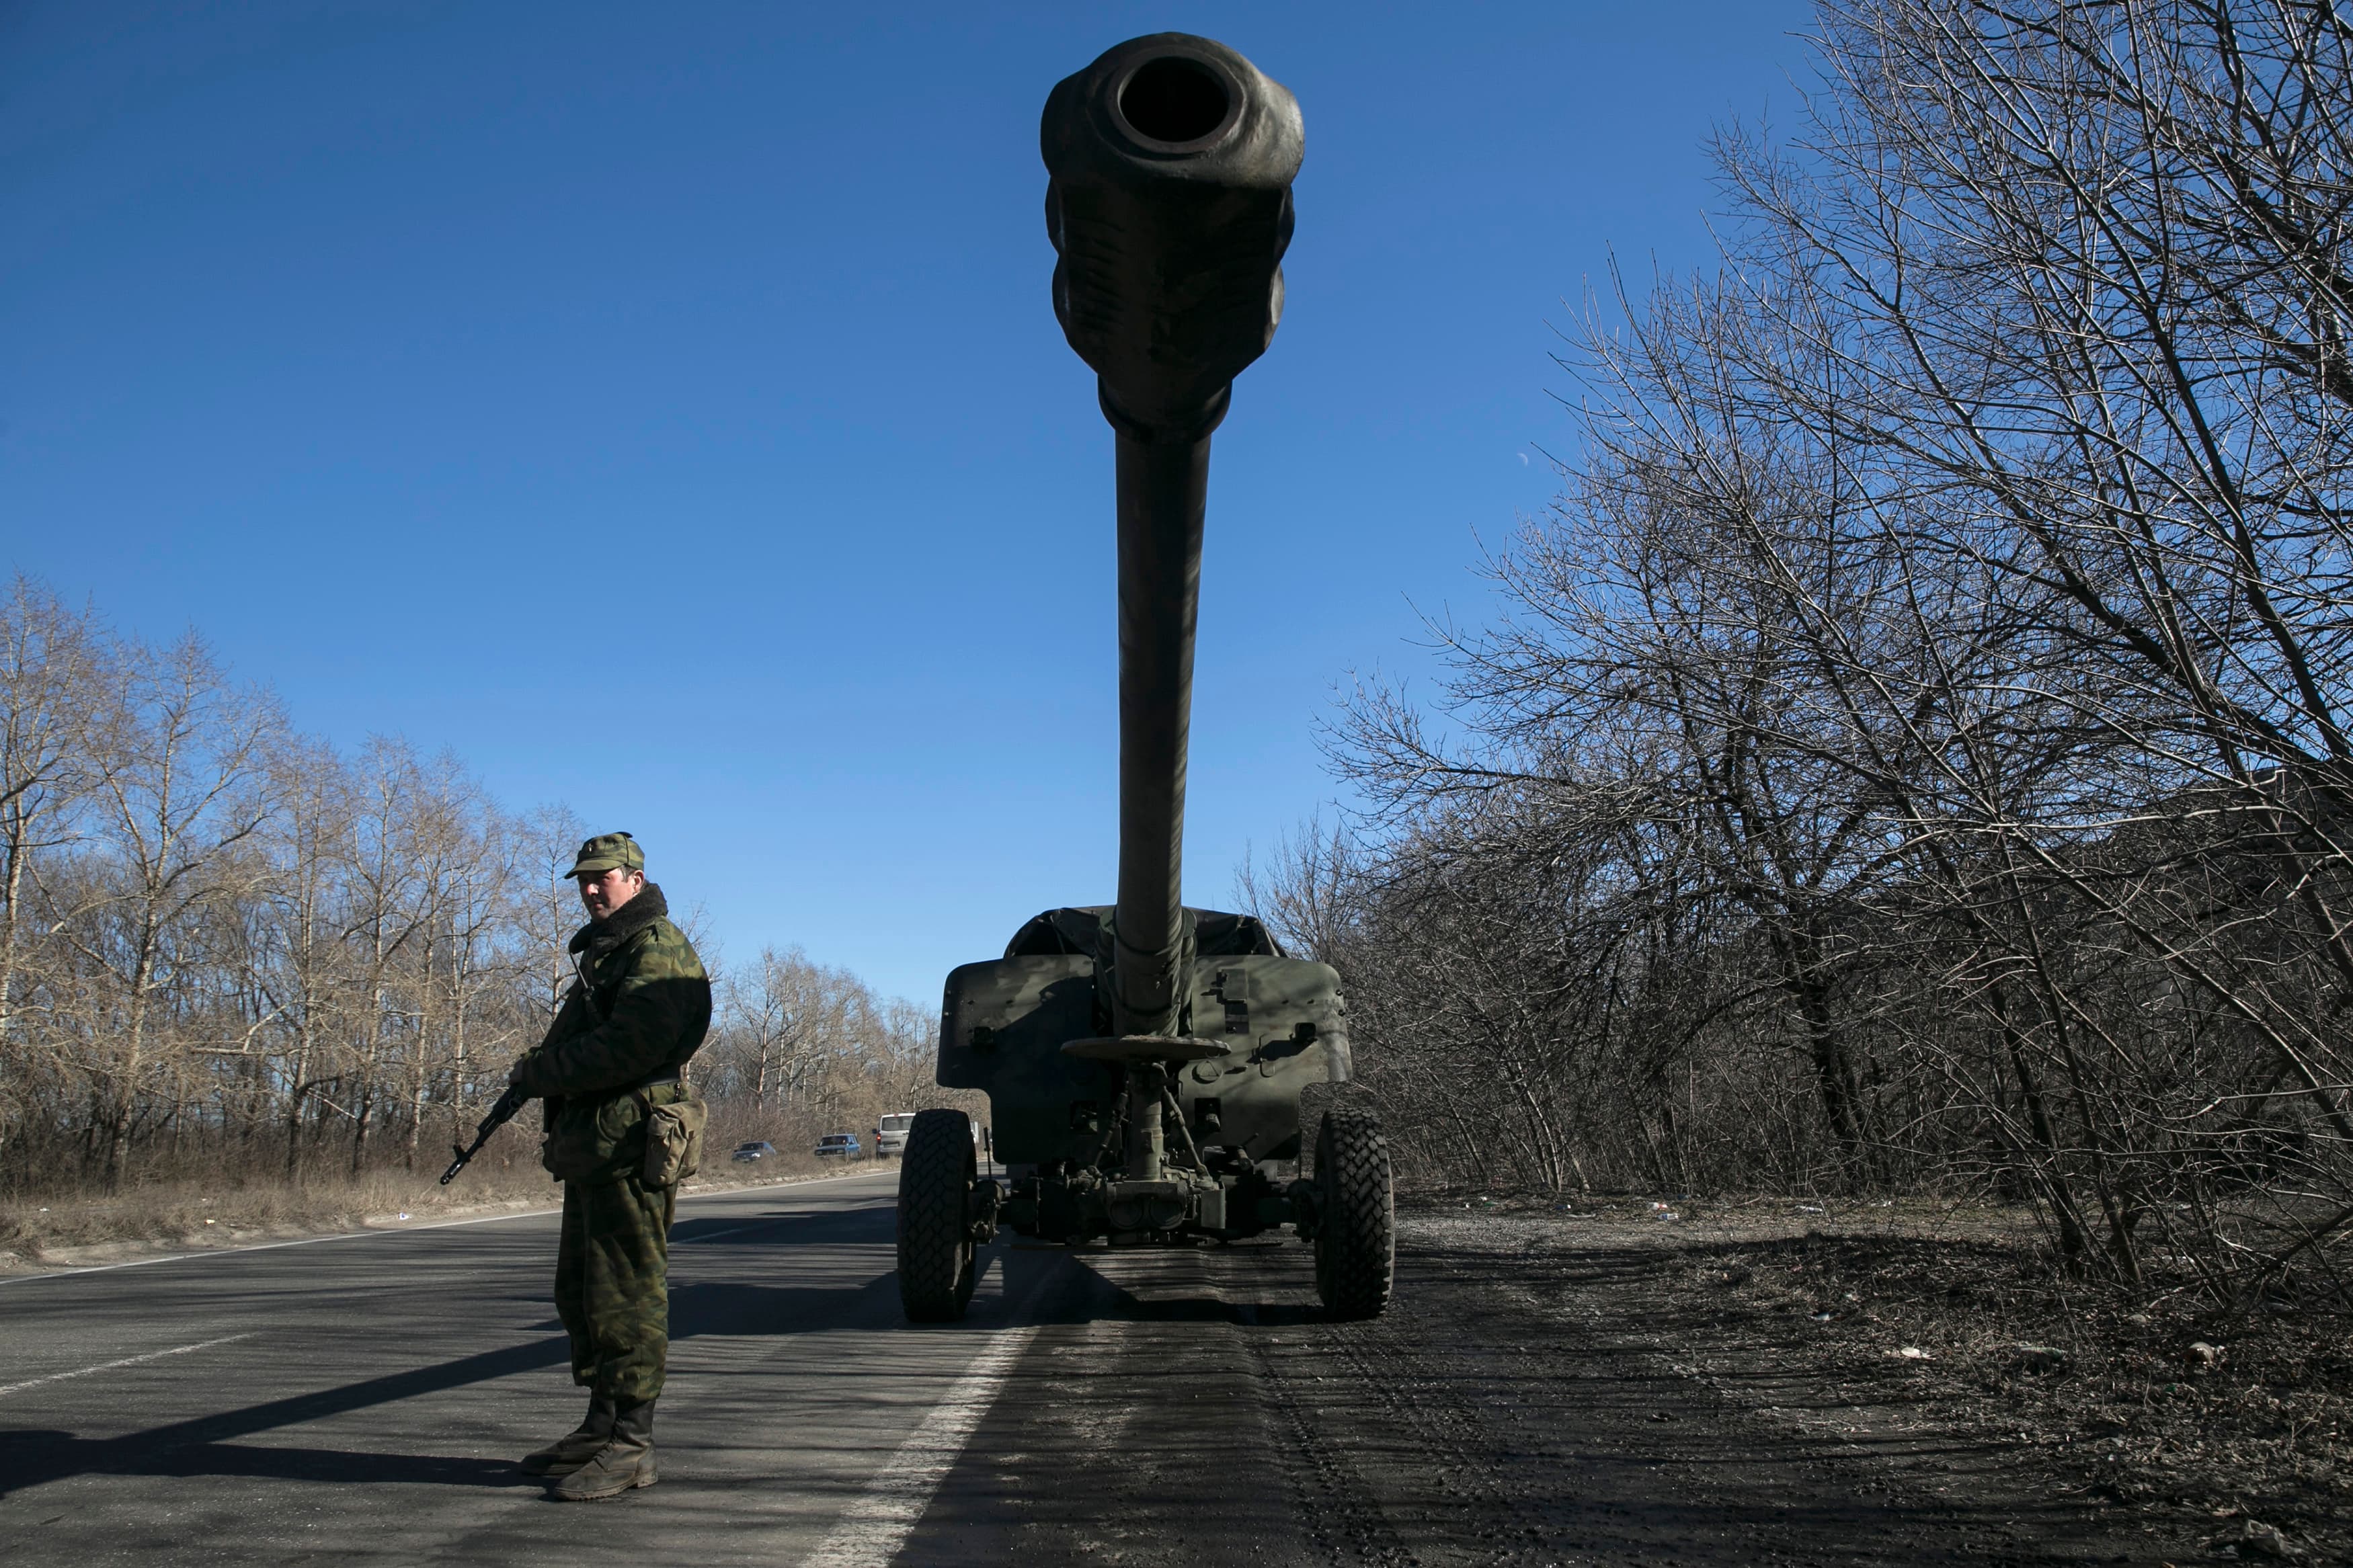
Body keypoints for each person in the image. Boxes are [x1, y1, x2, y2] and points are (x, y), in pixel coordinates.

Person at [506, 831, 711, 1501]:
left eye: (603, 877)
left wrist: (545, 1071)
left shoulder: (658, 949)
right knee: (584, 1293)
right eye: (582, 879)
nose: (592, 888)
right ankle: (600, 1425)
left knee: (627, 1296)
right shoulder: (612, 951)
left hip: (631, 1143)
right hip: (598, 1143)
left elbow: (629, 1047)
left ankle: (632, 1444)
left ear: (635, 876)